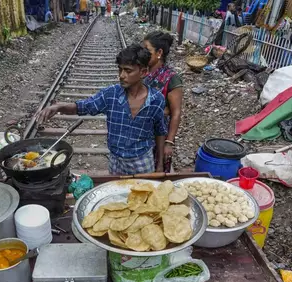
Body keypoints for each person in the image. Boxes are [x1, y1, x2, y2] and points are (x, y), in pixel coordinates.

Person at [36, 45, 167, 175]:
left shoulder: (156, 100)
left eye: (128, 71)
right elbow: (83, 106)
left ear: (143, 72)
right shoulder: (111, 94)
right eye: (120, 69)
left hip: (142, 161)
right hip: (116, 162)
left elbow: (160, 131)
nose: (121, 75)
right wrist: (59, 107)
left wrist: (160, 164)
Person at [143, 31, 183, 173]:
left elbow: (175, 113)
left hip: (159, 136)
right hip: (140, 136)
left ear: (159, 52)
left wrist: (169, 143)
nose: (143, 54)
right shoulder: (142, 73)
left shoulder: (171, 78)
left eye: (147, 50)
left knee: (157, 173)